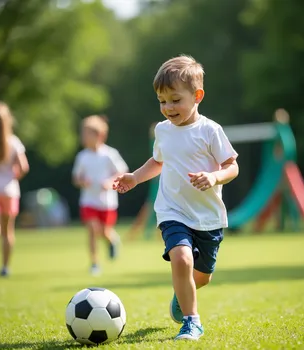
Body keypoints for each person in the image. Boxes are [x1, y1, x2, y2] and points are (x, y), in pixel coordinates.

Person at [113, 55, 239, 340]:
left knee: (202, 276)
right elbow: (158, 162)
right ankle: (192, 321)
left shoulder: (210, 130)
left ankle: (182, 295)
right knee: (181, 258)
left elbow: (232, 166)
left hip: (207, 217)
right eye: (162, 101)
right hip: (172, 211)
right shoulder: (162, 130)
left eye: (175, 100)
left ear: (197, 96)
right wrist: (134, 177)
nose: (168, 108)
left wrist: (215, 177)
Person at [72, 115, 128, 275]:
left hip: (107, 202)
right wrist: (82, 181)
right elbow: (76, 178)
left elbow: (122, 171)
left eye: (87, 134)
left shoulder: (109, 154)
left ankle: (112, 240)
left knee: (103, 231)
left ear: (100, 135)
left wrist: (110, 182)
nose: (84, 137)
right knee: (92, 230)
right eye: (83, 134)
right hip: (88, 201)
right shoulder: (82, 156)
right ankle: (94, 263)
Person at [0, 100, 29, 278]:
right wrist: (12, 177)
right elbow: (24, 167)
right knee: (7, 231)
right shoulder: (14, 142)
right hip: (9, 191)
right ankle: (5, 268)